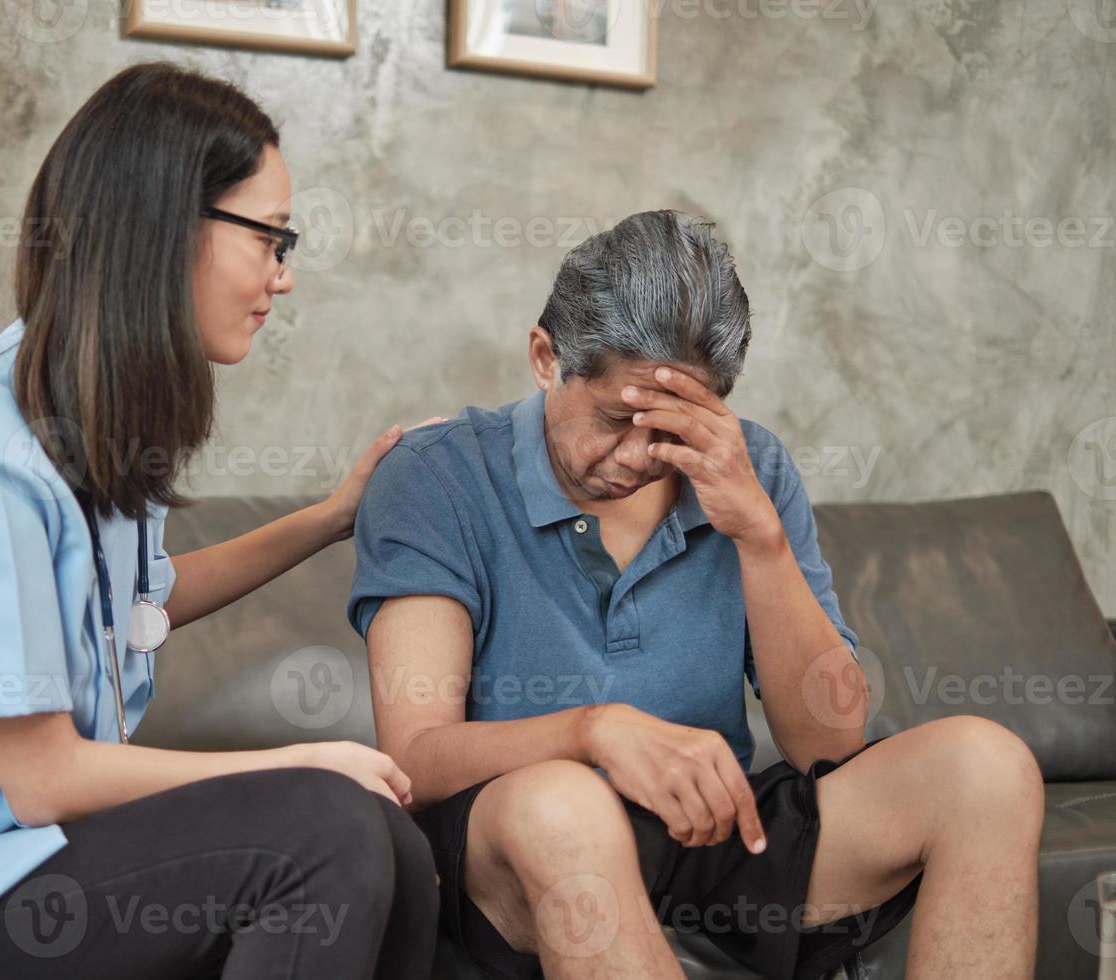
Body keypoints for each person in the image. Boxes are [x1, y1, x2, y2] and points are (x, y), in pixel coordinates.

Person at [0, 62, 440, 980]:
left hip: (22, 861)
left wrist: (332, 517)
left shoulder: (91, 417)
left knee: (394, 841)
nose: (282, 277)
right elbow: (43, 780)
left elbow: (134, 607)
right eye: (270, 239)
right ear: (164, 230)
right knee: (326, 826)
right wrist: (303, 760)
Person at [347, 210, 1045, 979]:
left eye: (671, 430)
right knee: (562, 804)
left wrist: (760, 537)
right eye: (617, 419)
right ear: (546, 357)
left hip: (708, 834)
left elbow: (832, 748)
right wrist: (593, 731)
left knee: (987, 766)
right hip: (513, 846)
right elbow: (414, 755)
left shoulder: (753, 470)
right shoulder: (436, 475)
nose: (640, 457)